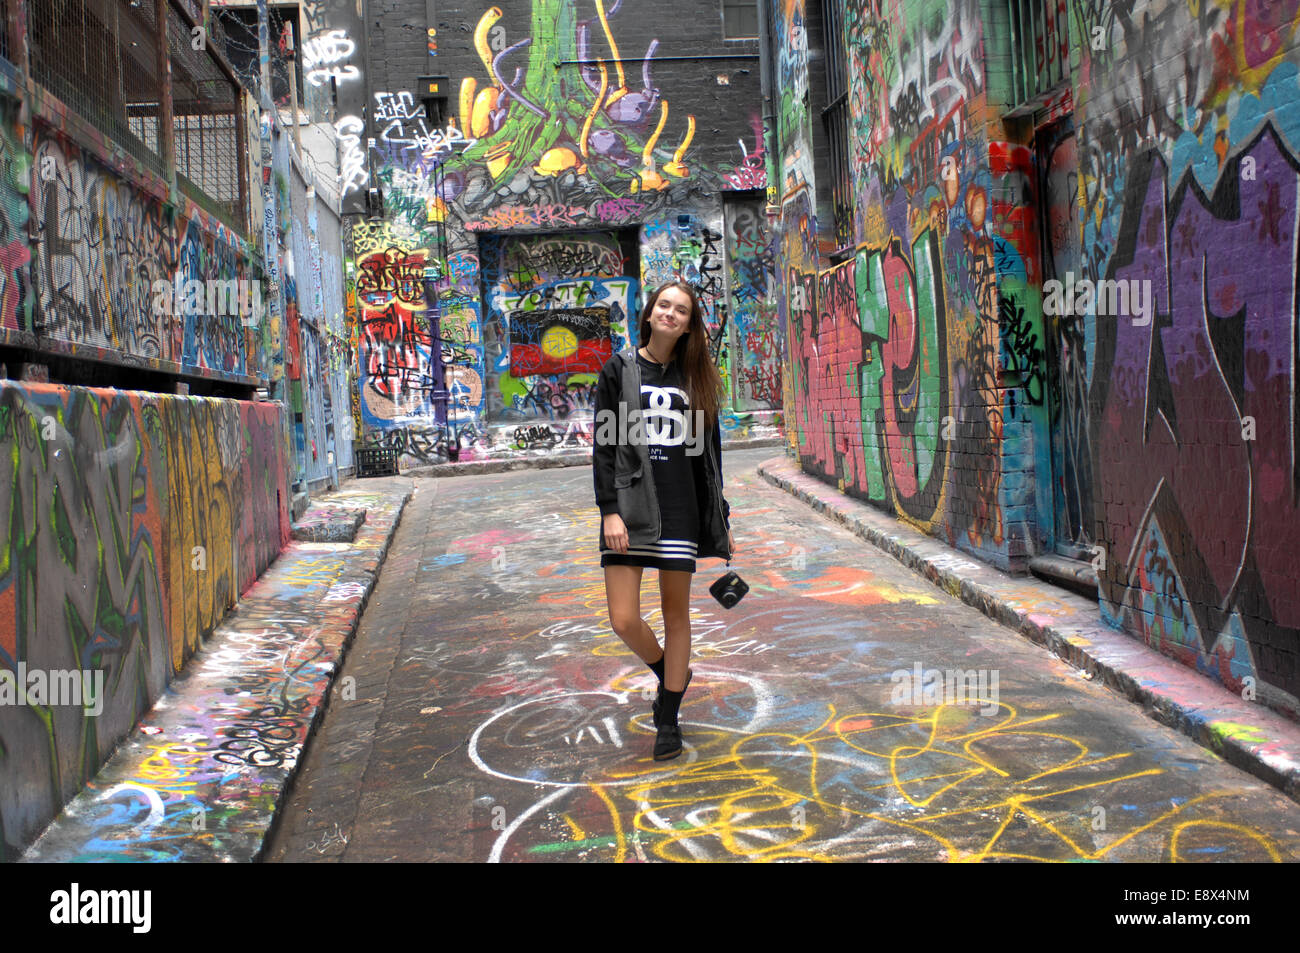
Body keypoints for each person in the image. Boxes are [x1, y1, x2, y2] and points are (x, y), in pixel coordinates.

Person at [592, 279, 735, 761]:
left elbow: (707, 457)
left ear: (690, 324)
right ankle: (670, 674)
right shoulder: (620, 368)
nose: (671, 314)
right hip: (630, 509)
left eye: (682, 310)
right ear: (650, 313)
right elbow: (605, 447)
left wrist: (719, 516)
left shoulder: (696, 378)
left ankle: (668, 716)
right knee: (624, 619)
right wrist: (608, 509)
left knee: (677, 615)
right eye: (664, 306)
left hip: (680, 509)